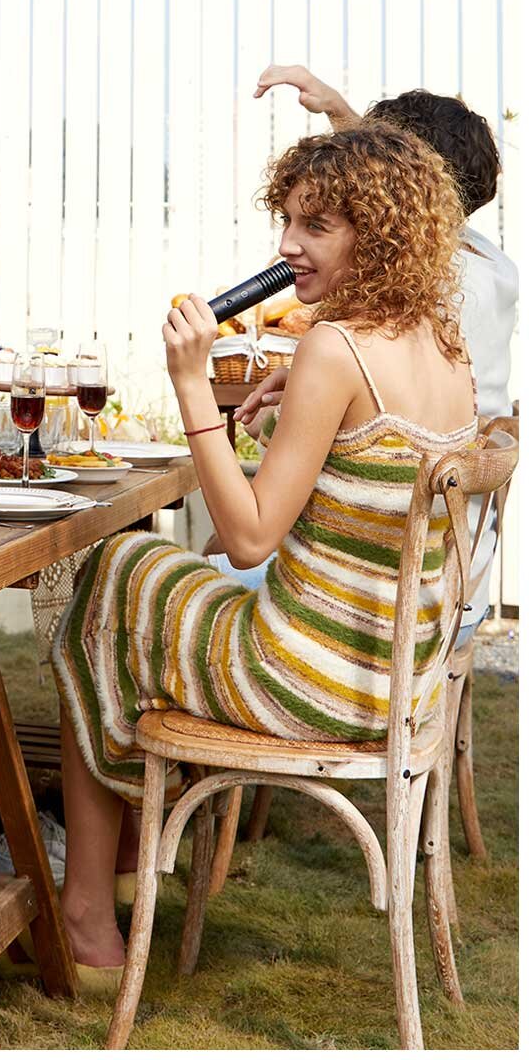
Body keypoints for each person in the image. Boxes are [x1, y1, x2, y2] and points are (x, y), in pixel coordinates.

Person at [52, 122, 477, 981]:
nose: (286, 245)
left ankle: (90, 913)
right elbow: (362, 476)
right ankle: (129, 859)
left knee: (113, 574)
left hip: (304, 681)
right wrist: (299, 409)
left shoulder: (335, 348)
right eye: (286, 219)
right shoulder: (443, 342)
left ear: (377, 234)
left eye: (316, 225)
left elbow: (249, 537)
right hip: (396, 685)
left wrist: (190, 383)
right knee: (147, 578)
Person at [244, 66, 516, 640]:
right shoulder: (493, 269)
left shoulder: (440, 288)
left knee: (211, 550)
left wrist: (290, 408)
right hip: (450, 585)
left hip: (380, 605)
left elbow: (257, 531)